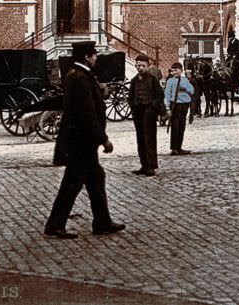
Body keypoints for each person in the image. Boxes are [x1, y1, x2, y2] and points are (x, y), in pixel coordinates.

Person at [44, 40, 124, 239]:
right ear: (87, 57)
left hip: (81, 143)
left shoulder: (77, 75)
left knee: (96, 179)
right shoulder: (80, 78)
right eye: (94, 55)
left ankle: (102, 221)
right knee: (71, 185)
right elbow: (87, 113)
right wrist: (103, 139)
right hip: (81, 143)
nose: (96, 58)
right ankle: (55, 225)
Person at [128, 53, 164, 174]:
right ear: (135, 66)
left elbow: (159, 95)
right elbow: (130, 97)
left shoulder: (153, 80)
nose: (141, 68)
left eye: (143, 66)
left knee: (150, 139)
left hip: (149, 113)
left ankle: (151, 166)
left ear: (148, 66)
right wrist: (133, 108)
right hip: (138, 112)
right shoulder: (133, 81)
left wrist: (153, 108)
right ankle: (143, 165)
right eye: (138, 66)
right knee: (140, 139)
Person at [163, 62, 194, 156]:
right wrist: (167, 107)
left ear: (181, 71)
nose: (174, 72)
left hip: (184, 106)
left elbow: (192, 91)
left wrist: (185, 88)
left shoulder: (185, 80)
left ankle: (179, 147)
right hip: (175, 105)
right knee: (175, 127)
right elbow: (167, 95)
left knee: (182, 127)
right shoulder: (170, 81)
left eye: (176, 70)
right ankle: (174, 148)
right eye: (173, 71)